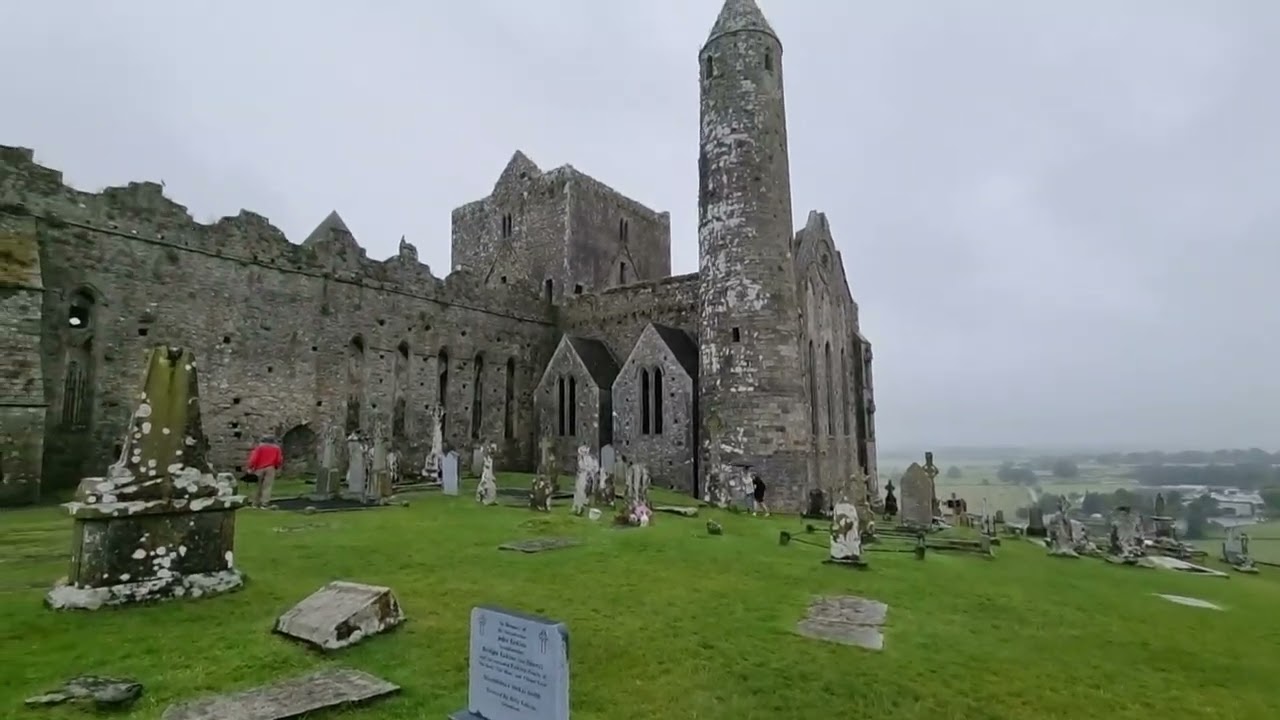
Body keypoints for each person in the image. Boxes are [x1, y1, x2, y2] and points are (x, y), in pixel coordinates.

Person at [246, 435, 284, 508]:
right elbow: (279, 459)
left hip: (259, 468)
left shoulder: (259, 448)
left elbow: (254, 458)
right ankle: (264, 504)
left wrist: (250, 467)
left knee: (257, 486)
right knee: (267, 486)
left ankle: (255, 503)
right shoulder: (277, 448)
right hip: (270, 468)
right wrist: (276, 466)